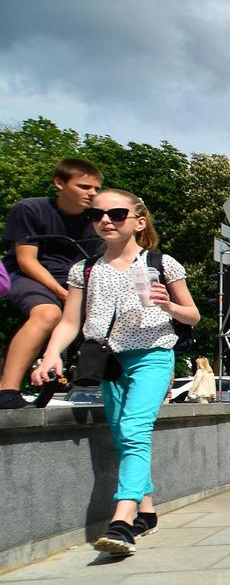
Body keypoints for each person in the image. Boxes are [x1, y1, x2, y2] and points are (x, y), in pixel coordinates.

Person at [31, 189, 200, 555]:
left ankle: (121, 522)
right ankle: (147, 511)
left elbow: (193, 315)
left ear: (139, 222)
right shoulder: (86, 270)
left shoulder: (160, 263)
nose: (105, 220)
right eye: (97, 215)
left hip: (153, 353)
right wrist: (50, 354)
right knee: (123, 433)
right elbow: (70, 321)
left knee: (136, 429)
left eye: (116, 214)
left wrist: (168, 304)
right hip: (105, 359)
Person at [1, 159, 103, 407]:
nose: (92, 194)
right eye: (84, 187)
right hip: (30, 275)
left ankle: (93, 383)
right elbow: (27, 260)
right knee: (47, 313)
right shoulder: (30, 209)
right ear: (59, 183)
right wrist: (62, 293)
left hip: (74, 280)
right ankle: (7, 390)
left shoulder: (99, 219)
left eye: (97, 189)